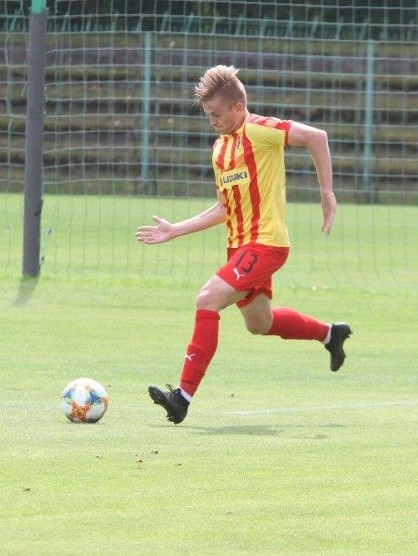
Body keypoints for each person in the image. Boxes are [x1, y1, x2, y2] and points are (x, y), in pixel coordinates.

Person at [136, 65, 351, 424]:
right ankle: (330, 334)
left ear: (238, 108)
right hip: (240, 249)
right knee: (260, 323)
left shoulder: (259, 129)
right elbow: (224, 208)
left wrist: (327, 193)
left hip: (266, 245)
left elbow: (318, 137)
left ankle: (182, 397)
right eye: (208, 116)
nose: (213, 122)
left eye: (217, 115)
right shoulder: (220, 148)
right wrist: (175, 230)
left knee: (207, 299)